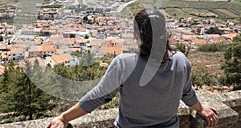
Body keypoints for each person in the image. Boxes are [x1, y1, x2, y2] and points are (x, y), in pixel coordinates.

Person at [45, 9, 218, 128]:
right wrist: (200, 108)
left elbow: (97, 97)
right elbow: (187, 93)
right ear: (164, 32)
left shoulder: (124, 64)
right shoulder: (181, 61)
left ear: (136, 34)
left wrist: (63, 117)